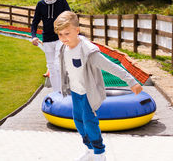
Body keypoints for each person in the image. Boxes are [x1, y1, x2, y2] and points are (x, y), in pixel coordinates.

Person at [53, 11, 143, 161]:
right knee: (78, 121)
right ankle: (89, 149)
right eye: (60, 34)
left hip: (88, 92)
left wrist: (131, 81)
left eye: (67, 33)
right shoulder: (64, 48)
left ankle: (100, 152)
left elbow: (111, 67)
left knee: (89, 121)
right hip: (76, 91)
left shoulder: (89, 52)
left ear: (77, 30)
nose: (63, 38)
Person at [31, 0, 70, 92]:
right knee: (51, 67)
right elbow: (34, 23)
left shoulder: (62, 2)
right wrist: (34, 36)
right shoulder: (40, 4)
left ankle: (65, 89)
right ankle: (57, 92)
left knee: (58, 65)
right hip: (47, 40)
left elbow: (70, 17)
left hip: (60, 38)